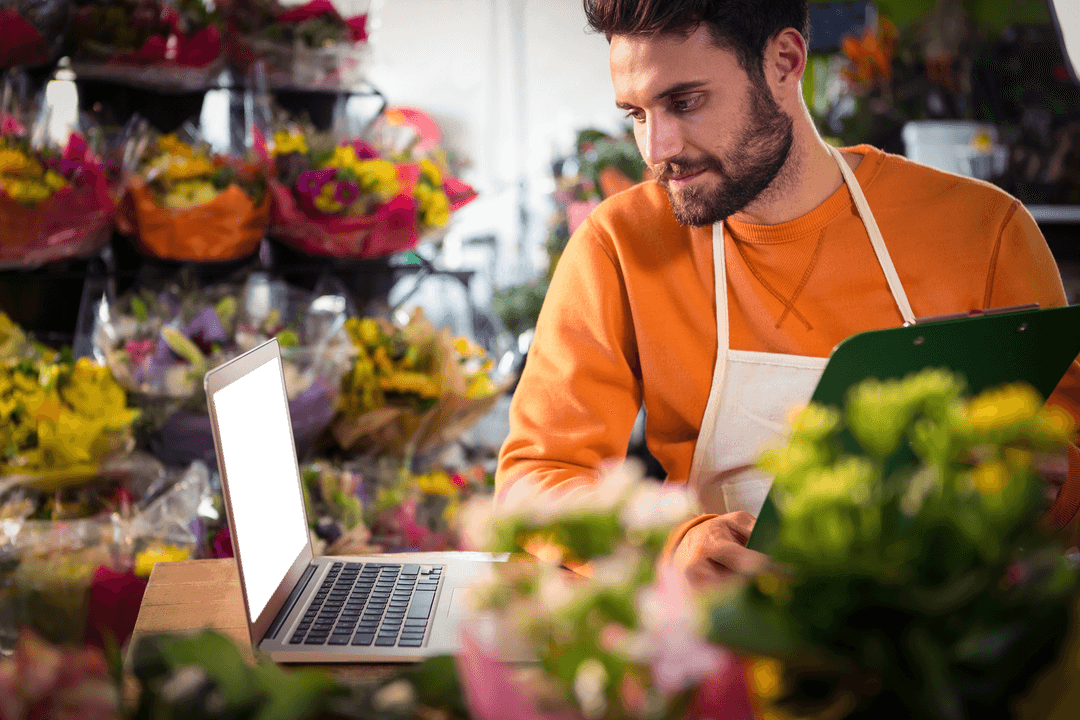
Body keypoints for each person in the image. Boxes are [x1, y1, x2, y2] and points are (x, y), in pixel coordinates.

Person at [496, 0, 1080, 585]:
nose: (657, 149)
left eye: (685, 101)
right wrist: (670, 544)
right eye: (636, 114)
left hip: (941, 641)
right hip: (728, 640)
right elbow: (532, 483)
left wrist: (1041, 490)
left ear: (783, 61)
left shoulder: (982, 231)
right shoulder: (620, 246)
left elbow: (1068, 469)